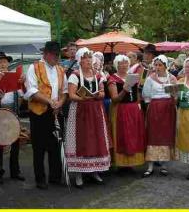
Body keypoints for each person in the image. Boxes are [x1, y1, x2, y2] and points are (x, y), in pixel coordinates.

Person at [24, 41, 68, 190]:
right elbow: (31, 91)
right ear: (46, 54)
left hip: (55, 111)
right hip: (39, 112)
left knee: (56, 145)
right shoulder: (34, 67)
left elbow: (65, 91)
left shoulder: (60, 70)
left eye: (58, 55)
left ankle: (55, 176)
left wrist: (60, 103)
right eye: (55, 55)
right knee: (39, 147)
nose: (57, 58)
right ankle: (40, 178)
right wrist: (50, 102)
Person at [65, 48, 110, 188]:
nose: (89, 61)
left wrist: (97, 95)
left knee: (96, 138)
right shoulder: (75, 75)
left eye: (90, 58)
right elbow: (71, 95)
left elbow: (103, 92)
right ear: (80, 60)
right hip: (80, 111)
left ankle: (94, 170)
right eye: (86, 58)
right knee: (82, 139)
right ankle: (79, 174)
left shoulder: (97, 75)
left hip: (95, 110)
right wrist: (84, 97)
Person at [0, 52, 25, 182]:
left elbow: (22, 95)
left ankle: (15, 170)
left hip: (13, 112)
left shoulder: (14, 76)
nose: (3, 64)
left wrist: (22, 83)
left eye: (4, 61)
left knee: (15, 143)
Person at [107, 54, 147, 170]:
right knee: (122, 136)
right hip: (121, 109)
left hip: (133, 109)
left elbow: (137, 95)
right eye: (120, 63)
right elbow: (115, 99)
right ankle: (121, 164)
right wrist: (125, 89)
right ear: (116, 65)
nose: (123, 65)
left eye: (125, 63)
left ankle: (131, 163)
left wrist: (138, 105)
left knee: (133, 135)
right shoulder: (113, 79)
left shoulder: (133, 76)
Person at [142, 55, 177, 176]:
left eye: (160, 65)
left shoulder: (172, 78)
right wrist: (151, 108)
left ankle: (163, 165)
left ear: (165, 66)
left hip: (168, 109)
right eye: (156, 65)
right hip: (155, 108)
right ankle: (150, 165)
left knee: (165, 135)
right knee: (153, 135)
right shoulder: (150, 78)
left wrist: (174, 96)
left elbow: (175, 96)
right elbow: (146, 95)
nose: (157, 67)